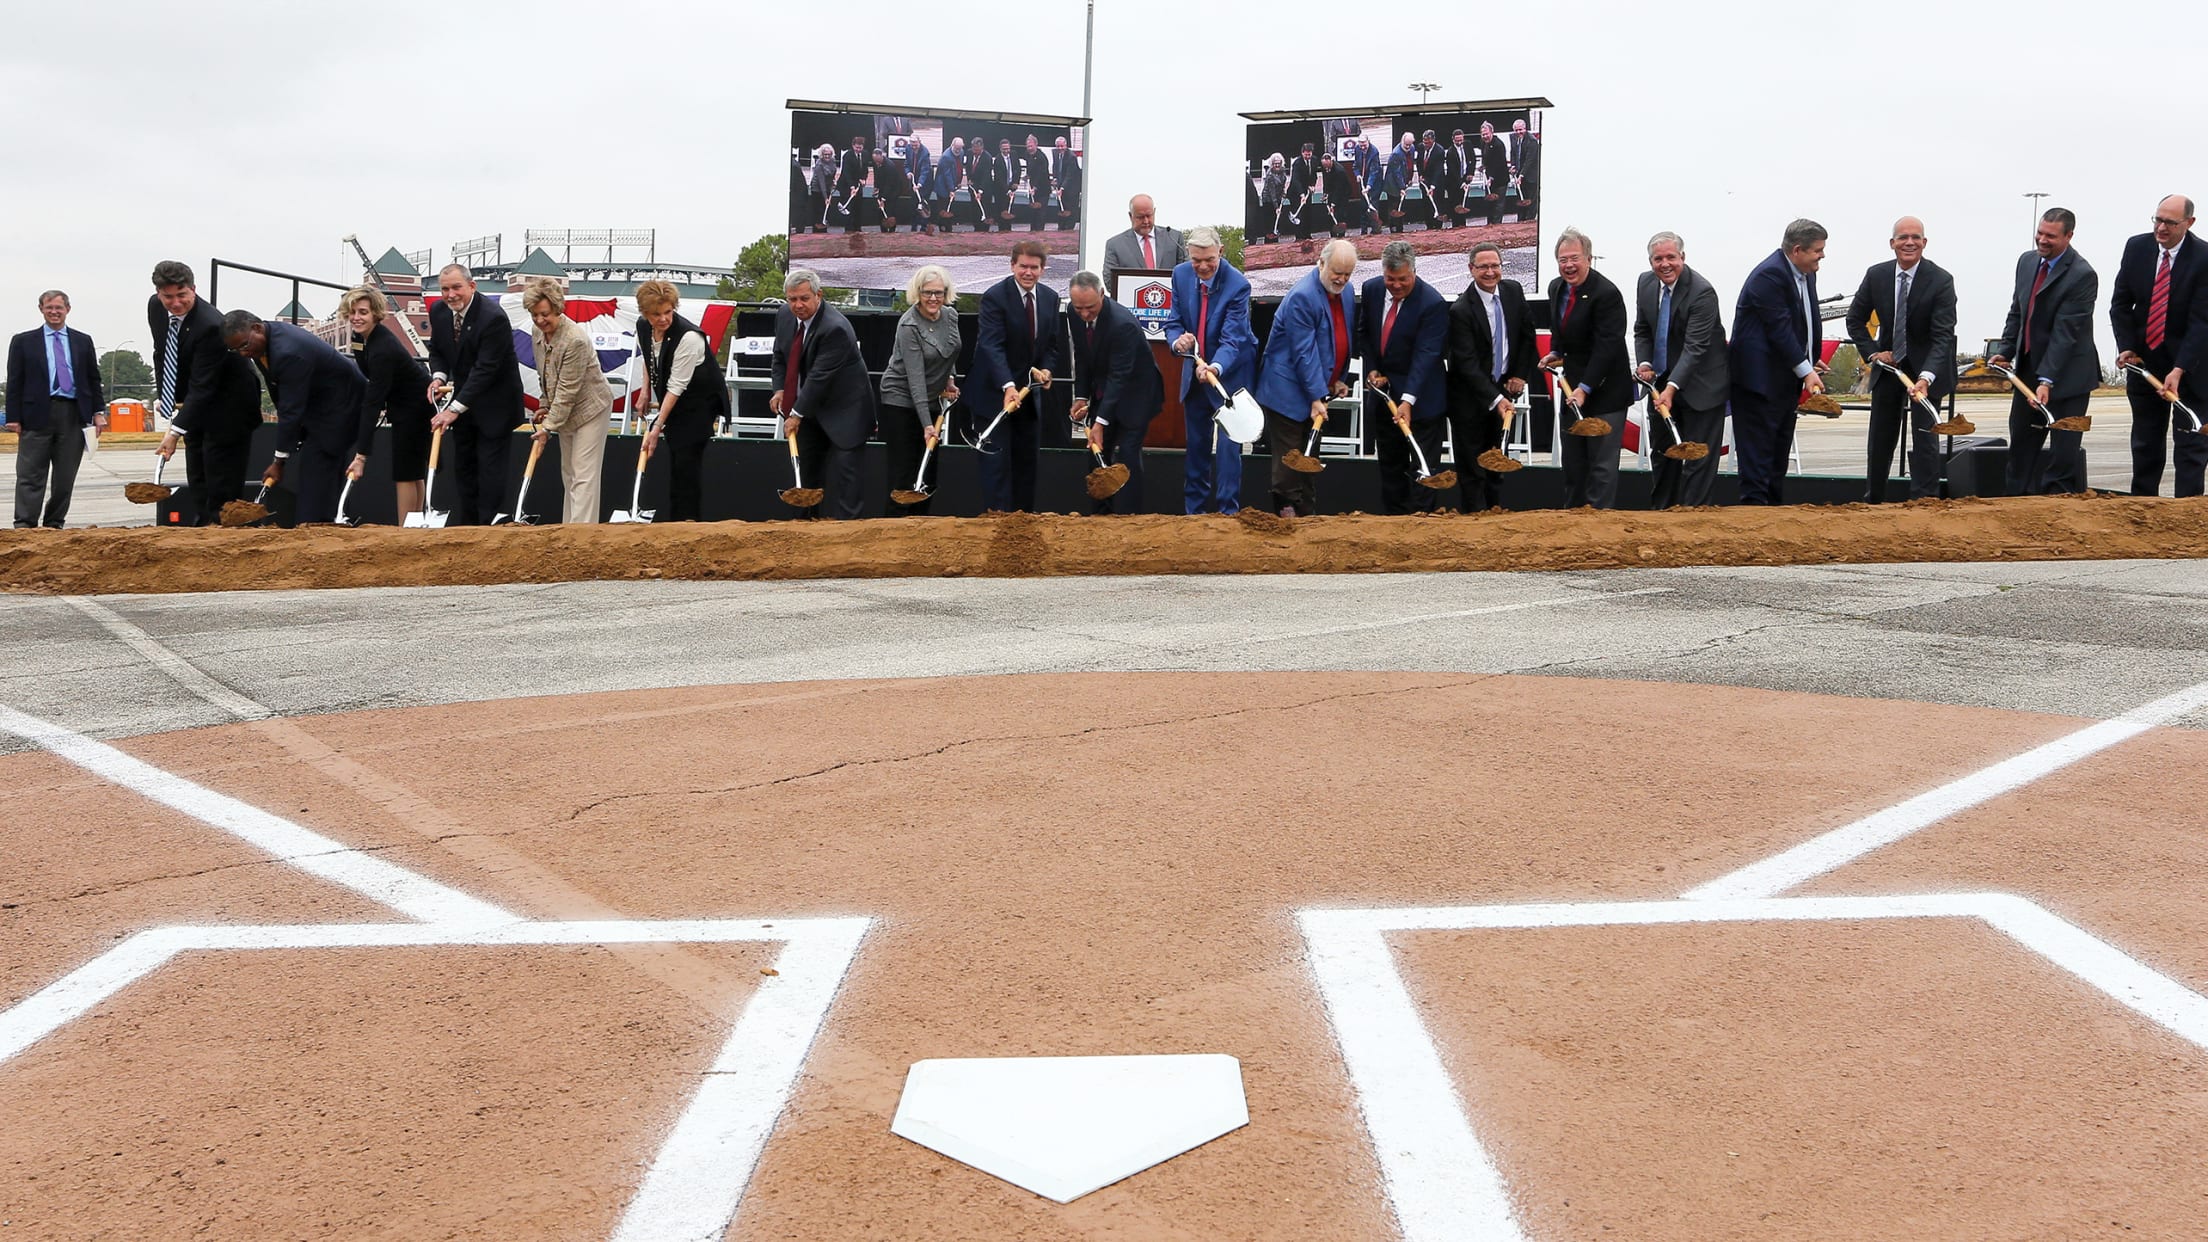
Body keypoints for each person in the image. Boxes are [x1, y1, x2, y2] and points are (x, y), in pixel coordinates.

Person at [1844, 216, 1958, 503]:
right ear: (1892, 243)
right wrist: (1872, 353)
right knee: (1881, 438)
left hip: (1926, 370)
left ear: (1924, 243)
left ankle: (1924, 501)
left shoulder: (1941, 280)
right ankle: (1874, 499)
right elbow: (1855, 319)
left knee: (1925, 437)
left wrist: (1926, 377)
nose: (1910, 242)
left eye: (1916, 237)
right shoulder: (1876, 275)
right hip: (1888, 368)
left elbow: (1942, 335)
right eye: (1903, 237)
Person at [1990, 208, 2099, 496]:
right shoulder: (2027, 262)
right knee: (2022, 450)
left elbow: (2065, 335)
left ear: (2068, 236)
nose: (2042, 240)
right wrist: (2005, 350)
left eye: (2050, 236)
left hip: (2068, 378)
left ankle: (2057, 513)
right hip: (2028, 373)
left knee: (2062, 457)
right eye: (2040, 233)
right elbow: (2018, 310)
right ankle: (2015, 506)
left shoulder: (2082, 275)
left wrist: (2047, 380)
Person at [221, 310, 365, 525]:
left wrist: (278, 462)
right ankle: (325, 524)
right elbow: (279, 394)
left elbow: (291, 410)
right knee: (319, 473)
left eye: (244, 346)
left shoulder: (288, 352)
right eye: (235, 350)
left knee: (316, 472)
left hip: (341, 406)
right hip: (320, 405)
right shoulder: (261, 344)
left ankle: (313, 530)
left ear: (257, 328)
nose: (242, 353)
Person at [1253, 239, 1359, 517]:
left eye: (1348, 274)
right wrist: (1315, 396)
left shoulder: (1345, 292)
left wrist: (1337, 379)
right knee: (1290, 460)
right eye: (1337, 272)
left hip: (1316, 387)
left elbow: (1340, 338)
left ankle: (1308, 519)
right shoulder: (1303, 296)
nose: (1342, 279)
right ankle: (1287, 517)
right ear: (1321, 263)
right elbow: (1304, 353)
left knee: (1309, 459)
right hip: (1286, 391)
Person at [150, 260, 262, 524]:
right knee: (197, 467)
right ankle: (204, 526)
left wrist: (175, 431)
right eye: (168, 297)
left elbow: (204, 385)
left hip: (230, 403)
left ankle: (224, 530)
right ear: (158, 294)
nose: (175, 303)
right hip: (198, 398)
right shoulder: (156, 308)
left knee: (220, 473)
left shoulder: (209, 325)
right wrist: (170, 398)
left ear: (194, 289)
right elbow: (162, 351)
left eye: (182, 295)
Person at [2110, 194, 2207, 497]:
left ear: (2189, 223)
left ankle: (2187, 515)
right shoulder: (2137, 247)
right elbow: (2121, 304)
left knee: (2190, 444)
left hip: (2192, 368)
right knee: (2145, 442)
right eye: (2158, 219)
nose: (2161, 228)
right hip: (2144, 363)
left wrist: (2179, 368)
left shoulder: (2204, 258)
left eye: (2170, 222)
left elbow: (2201, 322)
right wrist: (2126, 347)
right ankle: (2143, 510)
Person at [1728, 219, 1829, 505]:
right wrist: (1805, 369)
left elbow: (1805, 321)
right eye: (1818, 251)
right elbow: (1779, 329)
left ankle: (1773, 519)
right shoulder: (1769, 276)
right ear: (1797, 250)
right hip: (1758, 382)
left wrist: (1811, 359)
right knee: (1758, 459)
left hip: (1785, 381)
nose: (1822, 256)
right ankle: (1754, 518)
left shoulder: (1806, 273)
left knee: (1777, 457)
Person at [1635, 232, 1733, 509]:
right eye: (1658, 259)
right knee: (1663, 454)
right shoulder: (1645, 283)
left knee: (1696, 460)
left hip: (1702, 386)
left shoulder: (1702, 292)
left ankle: (1693, 521)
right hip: (1664, 383)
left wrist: (1671, 388)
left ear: (1683, 258)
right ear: (1650, 261)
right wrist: (1645, 364)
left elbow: (1695, 348)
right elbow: (1642, 330)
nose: (1665, 264)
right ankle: (1663, 516)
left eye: (1671, 257)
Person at [424, 264, 525, 525]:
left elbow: (485, 370)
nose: (450, 295)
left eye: (456, 287)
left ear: (472, 286)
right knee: (464, 468)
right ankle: (466, 530)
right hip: (464, 406)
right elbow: (437, 350)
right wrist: (438, 377)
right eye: (445, 289)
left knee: (490, 472)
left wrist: (452, 409)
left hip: (495, 406)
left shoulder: (493, 318)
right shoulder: (438, 311)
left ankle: (487, 530)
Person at [771, 268, 874, 519]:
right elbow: (780, 356)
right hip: (809, 407)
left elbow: (819, 377)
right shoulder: (784, 316)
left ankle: (848, 533)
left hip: (845, 408)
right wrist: (780, 390)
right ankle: (805, 527)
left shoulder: (835, 327)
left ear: (819, 295)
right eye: (792, 299)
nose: (798, 305)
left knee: (847, 476)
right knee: (807, 469)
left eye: (804, 298)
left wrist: (794, 413)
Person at [1540, 229, 1632, 508]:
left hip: (1605, 390)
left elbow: (1608, 347)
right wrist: (1555, 352)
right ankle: (1574, 521)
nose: (1568, 265)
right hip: (1573, 388)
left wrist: (1585, 388)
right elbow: (1560, 329)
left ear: (1589, 259)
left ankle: (1600, 523)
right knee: (1574, 462)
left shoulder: (1607, 294)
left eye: (1574, 258)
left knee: (1601, 466)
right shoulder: (1556, 287)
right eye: (1562, 259)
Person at [970, 240, 1062, 512]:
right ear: (1012, 266)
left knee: (1026, 466)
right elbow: (991, 345)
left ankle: (1023, 526)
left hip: (1029, 399)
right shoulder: (994, 297)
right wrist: (1008, 385)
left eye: (1035, 267)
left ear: (1043, 269)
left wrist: (1046, 369)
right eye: (1023, 266)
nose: (1028, 273)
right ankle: (996, 526)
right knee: (997, 467)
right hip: (994, 395)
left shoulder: (1050, 298)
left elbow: (1052, 346)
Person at [1169, 227, 1255, 515]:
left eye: (1208, 259)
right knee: (1197, 443)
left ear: (1220, 252)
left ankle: (1228, 512)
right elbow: (1174, 322)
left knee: (1230, 446)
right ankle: (1194, 513)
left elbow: (1234, 338)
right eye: (1196, 260)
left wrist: (1214, 367)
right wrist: (1177, 341)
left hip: (1229, 375)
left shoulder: (1238, 285)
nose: (1202, 266)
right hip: (1194, 374)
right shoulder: (1180, 275)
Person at [1446, 243, 1537, 512]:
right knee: (1473, 467)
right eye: (1483, 266)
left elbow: (1526, 335)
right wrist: (1496, 398)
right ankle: (1475, 521)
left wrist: (1519, 375)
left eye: (1494, 265)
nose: (1490, 272)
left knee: (1497, 460)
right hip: (1469, 398)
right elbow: (1466, 364)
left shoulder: (1513, 291)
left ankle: (1495, 516)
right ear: (1471, 269)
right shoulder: (1460, 310)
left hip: (1502, 389)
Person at [1361, 242, 1451, 514]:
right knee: (1391, 467)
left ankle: (1421, 527)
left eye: (1403, 280)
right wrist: (1373, 368)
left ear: (1414, 271)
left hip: (1422, 400)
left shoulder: (1432, 303)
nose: (1396, 285)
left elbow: (1426, 356)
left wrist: (1408, 400)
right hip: (1385, 397)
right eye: (1391, 279)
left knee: (1423, 468)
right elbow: (1366, 334)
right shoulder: (1372, 289)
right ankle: (1394, 525)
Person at [1065, 271, 1164, 515]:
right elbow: (1082, 355)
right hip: (1103, 390)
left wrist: (1100, 421)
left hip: (1136, 394)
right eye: (1079, 308)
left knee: (1127, 453)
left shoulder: (1123, 325)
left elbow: (1120, 377)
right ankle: (1101, 515)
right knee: (1097, 451)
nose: (1084, 314)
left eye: (1090, 307)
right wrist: (1080, 396)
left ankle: (1130, 516)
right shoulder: (1073, 312)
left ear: (1102, 294)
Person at [6, 290, 105, 528]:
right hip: (36, 415)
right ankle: (25, 524)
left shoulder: (83, 341)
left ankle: (54, 523)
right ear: (41, 309)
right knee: (30, 475)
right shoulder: (23, 341)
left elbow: (93, 378)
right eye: (49, 307)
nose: (54, 312)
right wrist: (13, 417)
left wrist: (99, 412)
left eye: (59, 308)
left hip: (73, 415)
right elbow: (15, 381)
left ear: (67, 310)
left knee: (64, 477)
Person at [338, 285, 435, 524]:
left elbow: (373, 401)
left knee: (405, 472)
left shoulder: (382, 349)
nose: (356, 318)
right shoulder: (359, 337)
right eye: (352, 312)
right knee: (411, 471)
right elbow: (367, 373)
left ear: (376, 314)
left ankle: (405, 529)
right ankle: (414, 525)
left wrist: (361, 456)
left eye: (363, 312)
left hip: (414, 407)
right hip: (402, 403)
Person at [522, 279, 613, 523]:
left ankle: (581, 538)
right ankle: (568, 531)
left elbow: (567, 390)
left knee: (584, 473)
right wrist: (543, 404)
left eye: (545, 314)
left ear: (557, 309)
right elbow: (545, 372)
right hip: (564, 410)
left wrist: (548, 428)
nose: (540, 320)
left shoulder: (575, 340)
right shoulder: (537, 332)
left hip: (590, 407)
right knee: (569, 473)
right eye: (534, 315)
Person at [633, 279, 723, 522]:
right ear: (645, 313)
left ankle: (687, 524)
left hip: (697, 405)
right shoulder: (643, 326)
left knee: (686, 464)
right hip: (674, 401)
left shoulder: (689, 337)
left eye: (668, 312)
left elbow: (676, 385)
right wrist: (645, 391)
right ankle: (675, 523)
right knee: (676, 463)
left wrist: (656, 426)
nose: (663, 319)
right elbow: (649, 356)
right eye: (656, 314)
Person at [881, 265, 962, 515]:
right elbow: (914, 380)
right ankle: (894, 532)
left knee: (927, 473)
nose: (933, 298)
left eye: (939, 292)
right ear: (918, 292)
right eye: (928, 292)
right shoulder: (909, 325)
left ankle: (920, 532)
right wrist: (927, 425)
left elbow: (949, 350)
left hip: (932, 399)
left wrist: (949, 379)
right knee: (905, 476)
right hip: (901, 400)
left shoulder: (949, 316)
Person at [1101, 195, 1188, 290]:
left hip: (1170, 300)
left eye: (1149, 215)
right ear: (1131, 216)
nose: (1146, 221)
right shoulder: (1115, 245)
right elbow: (1110, 281)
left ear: (1154, 212)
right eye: (1140, 217)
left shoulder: (1174, 238)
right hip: (1131, 302)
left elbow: (1186, 272)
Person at [833, 136, 869, 232]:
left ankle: (858, 228)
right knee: (849, 208)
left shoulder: (865, 154)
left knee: (858, 206)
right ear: (853, 146)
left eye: (860, 147)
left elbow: (865, 169)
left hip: (858, 185)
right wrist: (852, 187)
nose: (858, 149)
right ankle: (848, 229)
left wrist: (864, 179)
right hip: (846, 185)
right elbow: (846, 173)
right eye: (856, 147)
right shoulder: (847, 156)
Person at [1476, 122, 1509, 225]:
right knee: (1489, 203)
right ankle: (1489, 225)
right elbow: (1486, 158)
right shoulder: (1483, 142)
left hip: (1500, 179)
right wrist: (1483, 166)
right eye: (1483, 134)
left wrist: (1491, 177)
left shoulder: (1498, 145)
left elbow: (1498, 164)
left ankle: (1497, 226)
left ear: (1492, 132)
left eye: (1487, 134)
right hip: (1489, 180)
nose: (1485, 136)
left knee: (1498, 205)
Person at [1049, 137, 1082, 230]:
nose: (1060, 148)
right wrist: (1055, 179)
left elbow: (1069, 175)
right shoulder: (1055, 153)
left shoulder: (1071, 157)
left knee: (1070, 209)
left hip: (1072, 188)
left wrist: (1062, 188)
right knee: (1061, 208)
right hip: (1061, 185)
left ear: (1066, 145)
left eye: (1062, 146)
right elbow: (1055, 166)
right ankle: (1061, 227)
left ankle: (1069, 229)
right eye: (1058, 146)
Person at [1509, 119, 1540, 218]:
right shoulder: (1513, 138)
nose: (1518, 132)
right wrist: (1513, 165)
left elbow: (1529, 160)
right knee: (1521, 200)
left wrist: (1521, 175)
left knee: (1531, 201)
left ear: (1525, 129)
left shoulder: (1532, 141)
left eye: (1520, 130)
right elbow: (1513, 153)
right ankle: (1521, 221)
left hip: (1531, 176)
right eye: (1516, 130)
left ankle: (1530, 221)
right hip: (1519, 175)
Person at [805, 144, 837, 234]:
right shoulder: (819, 165)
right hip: (817, 190)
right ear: (822, 154)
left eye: (829, 154)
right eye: (825, 154)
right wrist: (826, 198)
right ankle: (817, 233)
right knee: (818, 212)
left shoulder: (833, 161)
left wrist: (833, 183)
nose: (827, 156)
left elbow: (832, 175)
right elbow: (821, 182)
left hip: (827, 188)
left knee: (825, 211)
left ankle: (824, 231)